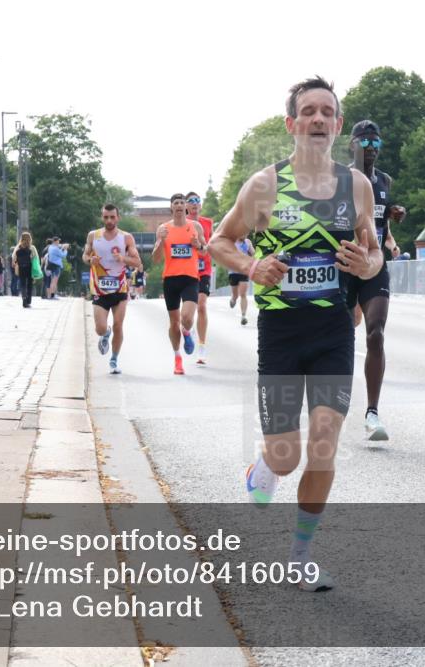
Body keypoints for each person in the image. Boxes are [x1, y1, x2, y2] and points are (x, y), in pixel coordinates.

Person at [208, 76, 383, 592]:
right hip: (282, 333)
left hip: (332, 329)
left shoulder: (357, 187)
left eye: (327, 112)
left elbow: (375, 252)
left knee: (324, 445)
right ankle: (264, 465)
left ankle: (300, 556)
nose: (318, 119)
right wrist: (251, 263)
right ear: (292, 123)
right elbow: (219, 240)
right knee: (285, 455)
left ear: (338, 125)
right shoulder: (264, 185)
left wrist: (367, 264)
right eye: (308, 111)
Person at [345, 120, 406, 441]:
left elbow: (378, 221)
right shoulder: (337, 178)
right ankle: (327, 402)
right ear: (352, 145)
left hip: (374, 265)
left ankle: (372, 413)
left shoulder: (384, 180)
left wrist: (391, 214)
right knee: (337, 337)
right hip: (342, 265)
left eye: (377, 145)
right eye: (365, 144)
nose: (371, 150)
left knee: (376, 333)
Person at [84, 204, 142, 374]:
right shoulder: (93, 236)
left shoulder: (126, 238)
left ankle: (114, 360)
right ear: (102, 217)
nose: (109, 220)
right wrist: (90, 260)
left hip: (119, 290)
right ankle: (105, 333)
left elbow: (137, 262)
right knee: (100, 328)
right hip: (99, 290)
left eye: (112, 217)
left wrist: (123, 258)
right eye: (106, 217)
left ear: (118, 218)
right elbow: (85, 255)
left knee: (118, 324)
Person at [152, 194, 205, 375]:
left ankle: (187, 332)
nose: (180, 205)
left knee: (187, 318)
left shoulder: (195, 226)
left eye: (183, 202)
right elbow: (156, 259)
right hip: (171, 279)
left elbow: (205, 252)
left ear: (186, 208)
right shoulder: (163, 228)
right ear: (172, 208)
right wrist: (160, 241)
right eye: (176, 203)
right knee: (173, 323)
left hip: (190, 278)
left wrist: (198, 245)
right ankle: (177, 358)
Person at [186, 192, 214, 364]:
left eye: (197, 201)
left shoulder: (208, 223)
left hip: (204, 269)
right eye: (191, 201)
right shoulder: (181, 224)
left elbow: (211, 245)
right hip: (186, 270)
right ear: (186, 206)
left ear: (200, 205)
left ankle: (202, 348)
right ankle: (189, 329)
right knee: (188, 312)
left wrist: (203, 247)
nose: (195, 204)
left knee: (202, 306)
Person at [228, 237, 255, 325]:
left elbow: (254, 254)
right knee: (235, 295)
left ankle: (243, 316)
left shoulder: (247, 242)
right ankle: (233, 299)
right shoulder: (231, 241)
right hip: (233, 272)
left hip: (244, 271)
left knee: (243, 294)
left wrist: (250, 252)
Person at [11, 232, 37, 308]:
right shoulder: (32, 247)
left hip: (21, 268)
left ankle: (24, 300)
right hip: (30, 267)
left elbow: (13, 258)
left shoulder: (18, 247)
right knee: (29, 284)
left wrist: (15, 263)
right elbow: (34, 258)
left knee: (23, 284)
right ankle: (28, 300)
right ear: (30, 238)